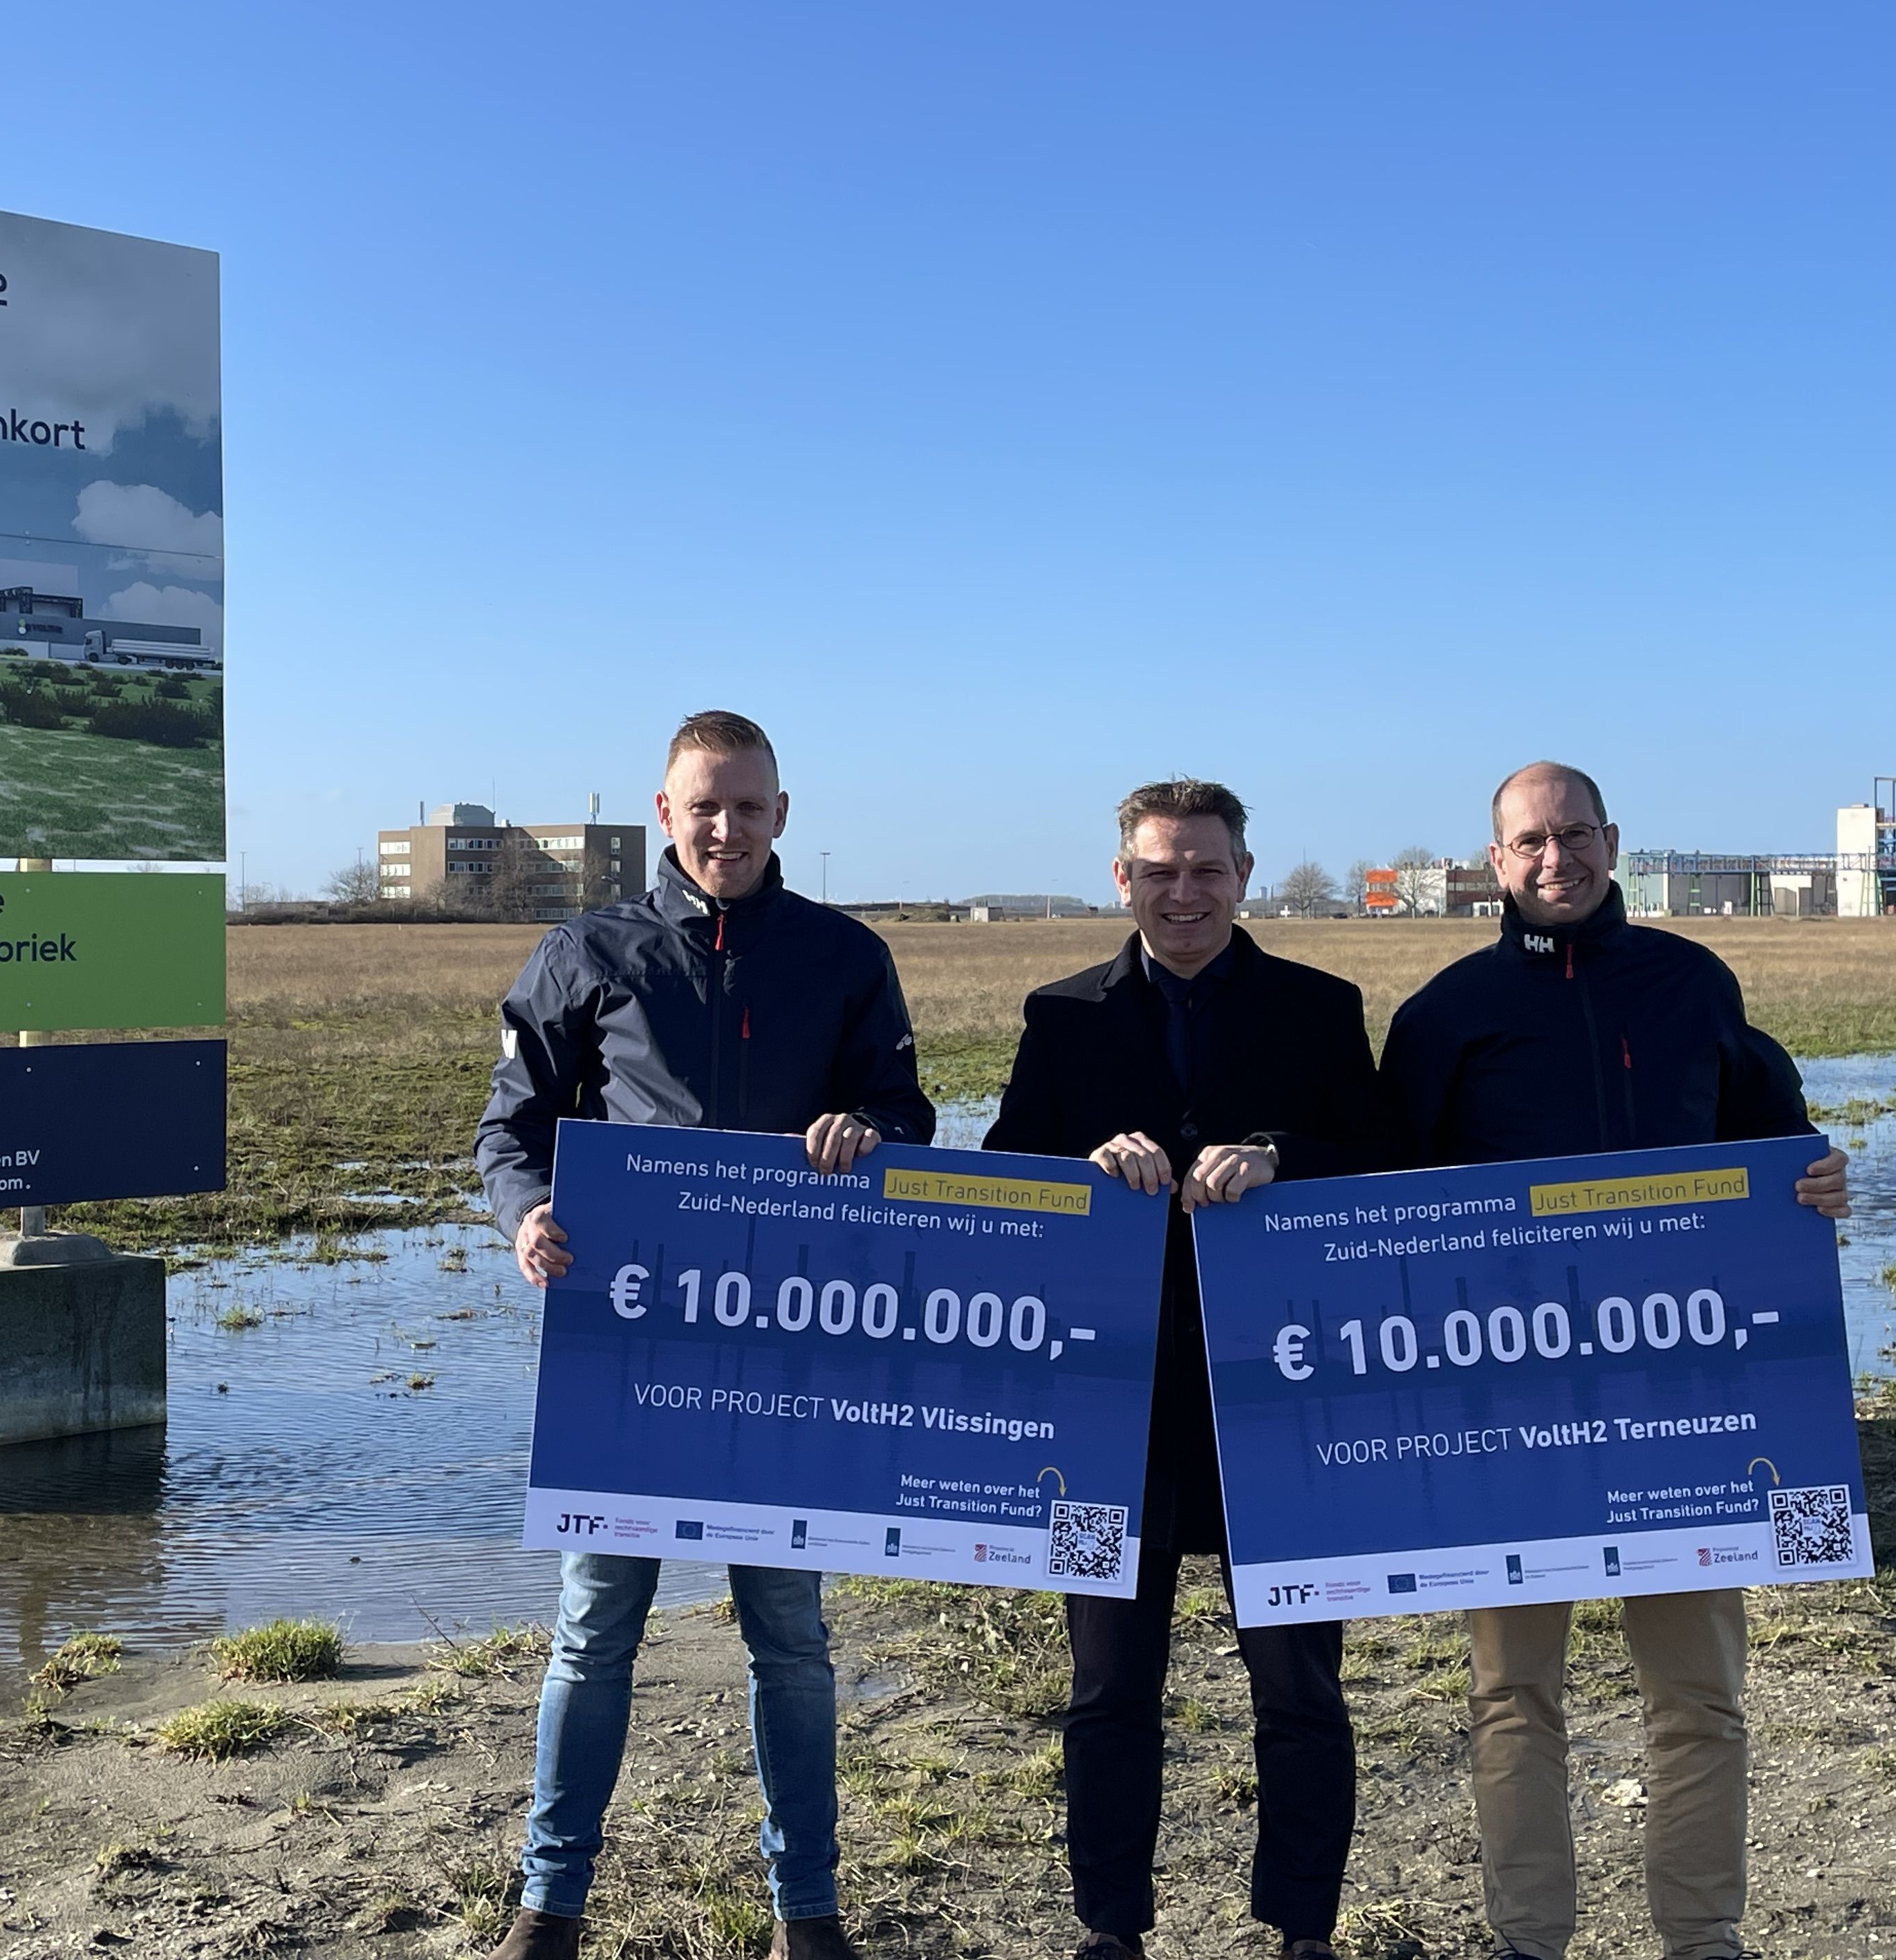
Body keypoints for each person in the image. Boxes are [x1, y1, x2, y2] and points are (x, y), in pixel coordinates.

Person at [474, 709, 936, 1960]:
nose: (726, 828)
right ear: (666, 813)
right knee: (594, 1630)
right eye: (703, 806)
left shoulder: (845, 957)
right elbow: (511, 1129)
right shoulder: (587, 950)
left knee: (789, 1638)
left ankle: (809, 1915)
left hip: (787, 1349)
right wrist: (528, 1220)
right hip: (631, 1354)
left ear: (782, 815)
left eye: (749, 806)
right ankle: (549, 1907)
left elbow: (906, 1111)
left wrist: (873, 1137)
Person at [1380, 761, 1852, 1960]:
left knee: (1698, 1698)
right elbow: (1377, 1207)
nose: (1557, 861)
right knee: (1511, 1696)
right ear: (1495, 862)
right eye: (1530, 842)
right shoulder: (1444, 1014)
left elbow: (1775, 1138)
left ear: (1613, 842)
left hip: (1678, 1405)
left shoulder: (1694, 983)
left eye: (1576, 836)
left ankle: (1704, 1940)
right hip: (1509, 1404)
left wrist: (1816, 1177)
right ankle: (1529, 1940)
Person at [983, 778, 1388, 1960]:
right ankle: (1112, 1928)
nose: (1184, 891)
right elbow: (1010, 1177)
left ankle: (1304, 1927)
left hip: (1285, 1400)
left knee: (1303, 1693)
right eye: (1160, 870)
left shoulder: (1322, 1008)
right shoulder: (1060, 1016)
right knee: (1109, 1695)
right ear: (1123, 879)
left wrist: (1280, 1156)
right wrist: (1079, 1162)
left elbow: (1385, 1161)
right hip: (1115, 1407)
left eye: (1206, 868)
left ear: (1245, 875)